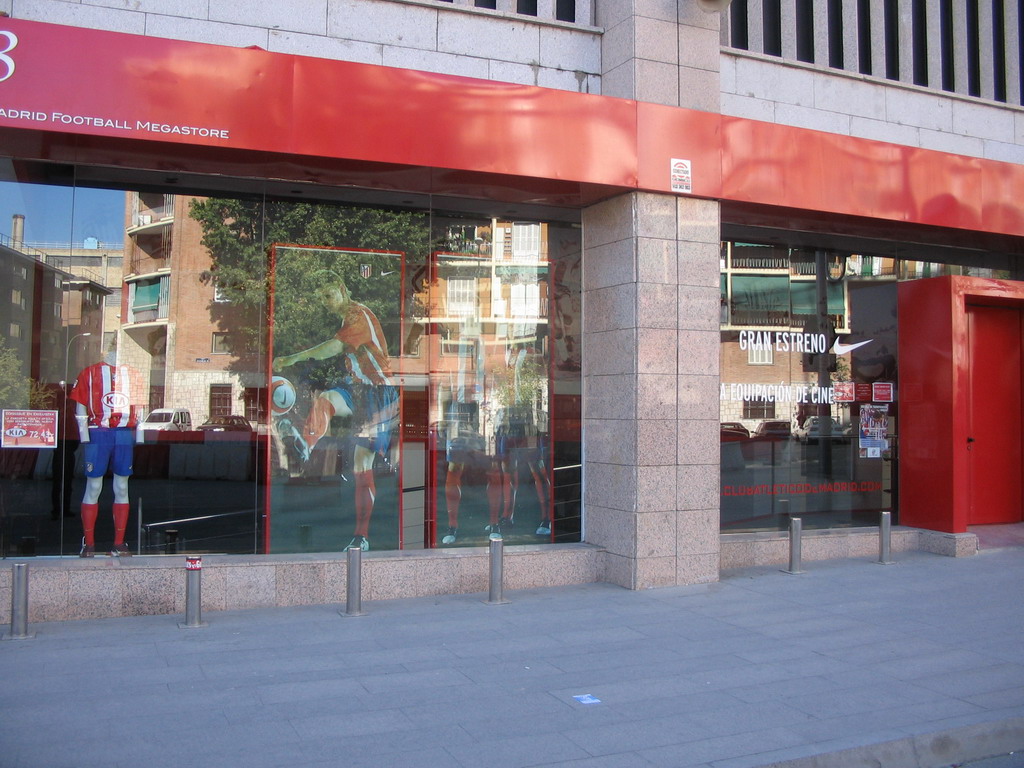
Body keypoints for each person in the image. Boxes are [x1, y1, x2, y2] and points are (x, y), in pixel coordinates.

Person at [273, 270, 398, 552]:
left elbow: (333, 347)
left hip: (379, 394)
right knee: (325, 399)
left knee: (361, 467)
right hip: (357, 390)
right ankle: (305, 445)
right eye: (322, 300)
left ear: (342, 288)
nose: (326, 303)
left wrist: (294, 357)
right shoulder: (347, 318)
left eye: (329, 296)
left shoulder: (357, 314)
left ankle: (361, 536)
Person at [68, 362, 142, 557]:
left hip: (123, 432)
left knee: (122, 486)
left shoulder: (132, 374)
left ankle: (119, 543)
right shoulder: (89, 372)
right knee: (93, 486)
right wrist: (84, 435)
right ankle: (89, 543)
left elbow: (141, 407)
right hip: (98, 433)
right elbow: (80, 406)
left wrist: (140, 434)